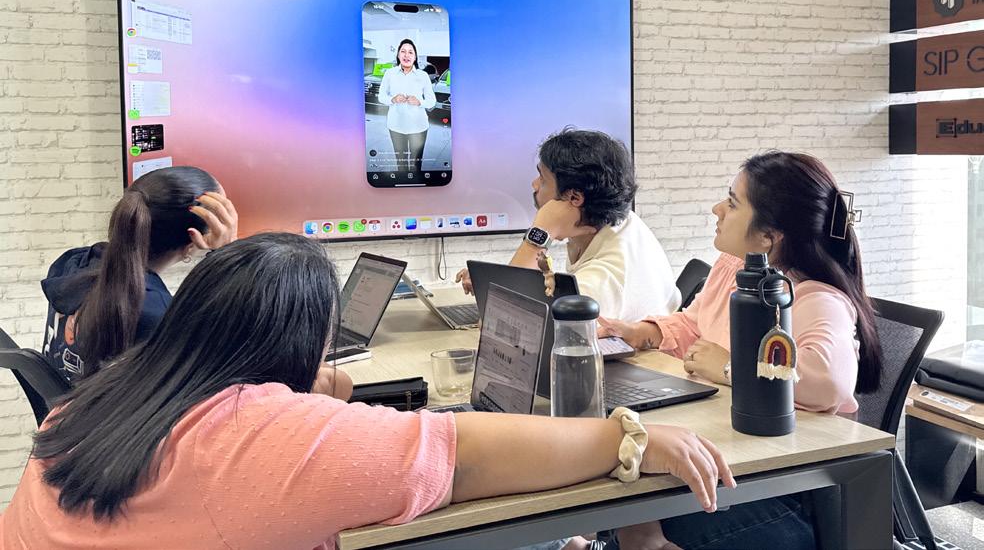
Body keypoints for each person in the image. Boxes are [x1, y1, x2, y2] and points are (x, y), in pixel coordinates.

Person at [1, 233, 734, 550]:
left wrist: (307, 394)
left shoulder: (101, 402)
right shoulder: (266, 439)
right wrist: (629, 437)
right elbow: (464, 453)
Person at [598, 151, 883, 550]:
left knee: (629, 507)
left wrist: (731, 367)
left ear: (769, 237)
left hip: (785, 490)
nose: (717, 209)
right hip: (738, 460)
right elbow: (696, 324)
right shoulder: (732, 267)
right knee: (624, 492)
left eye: (732, 203)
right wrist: (642, 332)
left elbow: (829, 385)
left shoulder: (816, 298)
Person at [457, 128, 680, 322]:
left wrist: (541, 233)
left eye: (543, 179)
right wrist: (492, 283)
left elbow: (503, 320)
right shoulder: (620, 222)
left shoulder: (603, 279)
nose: (534, 185)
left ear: (574, 198)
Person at [40, 165, 239, 382]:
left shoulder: (73, 262)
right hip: (111, 405)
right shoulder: (156, 315)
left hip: (70, 399)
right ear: (195, 238)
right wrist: (228, 255)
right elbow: (219, 363)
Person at [377, 38, 436, 175]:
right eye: (403, 51)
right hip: (396, 126)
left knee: (416, 165)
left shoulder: (423, 75)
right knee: (401, 164)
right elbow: (381, 96)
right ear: (398, 55)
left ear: (415, 57)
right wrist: (392, 99)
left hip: (418, 127)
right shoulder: (389, 74)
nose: (406, 55)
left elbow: (432, 101)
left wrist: (419, 102)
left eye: (410, 52)